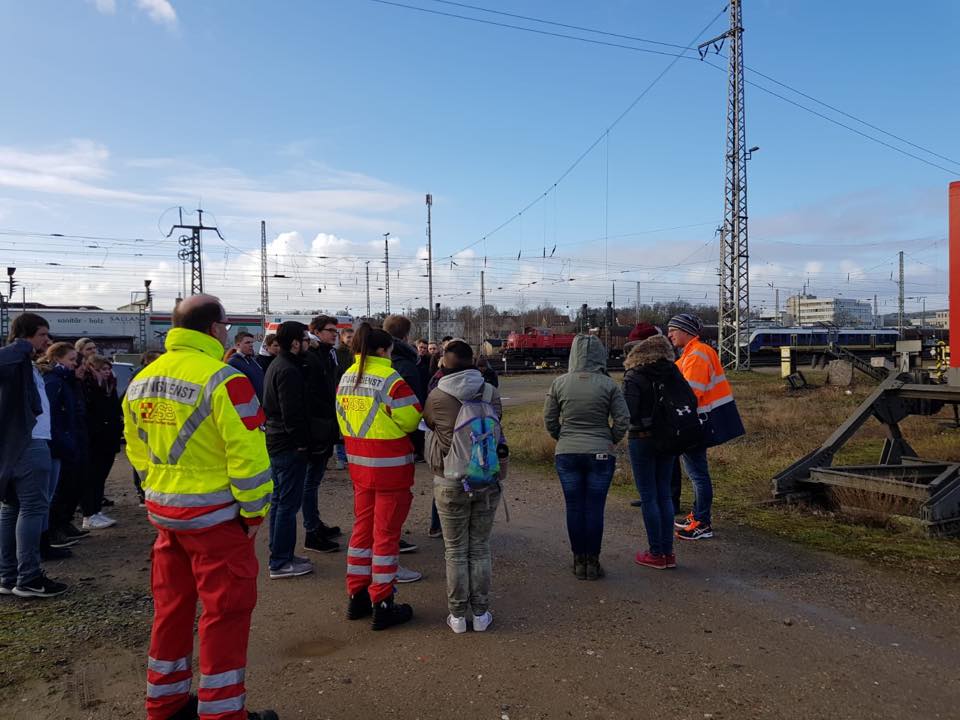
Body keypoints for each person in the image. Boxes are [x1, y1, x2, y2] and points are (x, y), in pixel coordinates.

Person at [123, 294, 277, 720]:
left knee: (171, 611)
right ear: (214, 328)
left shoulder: (142, 379)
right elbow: (249, 458)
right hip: (217, 521)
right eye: (225, 325)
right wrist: (253, 512)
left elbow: (137, 450)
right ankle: (222, 714)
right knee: (224, 615)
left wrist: (160, 492)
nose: (227, 331)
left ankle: (165, 704)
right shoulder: (226, 380)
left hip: (167, 518)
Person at [337, 323, 422, 631]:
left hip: (359, 467)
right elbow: (411, 419)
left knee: (362, 533)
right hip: (390, 468)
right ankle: (383, 603)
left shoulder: (347, 376)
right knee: (386, 535)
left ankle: (356, 595)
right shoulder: (390, 378)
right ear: (384, 350)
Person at [423, 340, 503, 633]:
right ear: (473, 361)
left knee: (455, 550)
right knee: (480, 547)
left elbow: (429, 423)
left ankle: (457, 617)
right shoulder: (491, 392)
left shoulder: (437, 396)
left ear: (444, 362)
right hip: (485, 477)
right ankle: (481, 615)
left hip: (449, 478)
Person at [543, 334, 629, 580]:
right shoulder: (609, 384)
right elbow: (623, 419)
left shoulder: (559, 383)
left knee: (574, 506)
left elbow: (549, 419)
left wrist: (562, 436)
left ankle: (578, 560)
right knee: (594, 508)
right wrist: (609, 438)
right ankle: (593, 561)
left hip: (567, 452)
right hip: (600, 452)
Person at [0, 313, 68, 598]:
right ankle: (27, 577)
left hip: (21, 443)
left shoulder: (24, 365)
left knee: (13, 509)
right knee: (31, 508)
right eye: (42, 335)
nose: (47, 341)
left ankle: (9, 575)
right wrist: (21, 347)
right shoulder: (13, 359)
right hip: (29, 443)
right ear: (25, 335)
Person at [667, 313, 745, 541]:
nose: (669, 334)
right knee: (697, 473)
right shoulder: (692, 353)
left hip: (697, 423)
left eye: (673, 329)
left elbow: (689, 394)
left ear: (686, 331)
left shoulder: (697, 355)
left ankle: (702, 522)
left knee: (698, 474)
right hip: (700, 421)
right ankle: (698, 516)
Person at [262, 321, 321, 576]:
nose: (308, 344)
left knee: (279, 501)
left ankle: (281, 553)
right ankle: (280, 561)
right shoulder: (288, 370)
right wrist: (302, 444)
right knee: (287, 504)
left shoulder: (279, 364)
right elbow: (292, 413)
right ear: (295, 342)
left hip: (278, 441)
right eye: (305, 340)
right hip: (287, 444)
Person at [623, 335, 686, 570]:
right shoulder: (672, 371)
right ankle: (668, 553)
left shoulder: (634, 374)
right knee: (664, 495)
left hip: (641, 438)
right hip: (669, 438)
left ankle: (656, 553)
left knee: (649, 496)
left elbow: (627, 412)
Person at [383, 315, 427, 562]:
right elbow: (414, 409)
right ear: (406, 336)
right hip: (398, 441)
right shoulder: (407, 365)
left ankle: (385, 540)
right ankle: (390, 545)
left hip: (371, 443)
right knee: (396, 497)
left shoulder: (377, 365)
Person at [300, 315, 343, 553]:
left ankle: (315, 523)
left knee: (314, 480)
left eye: (335, 331)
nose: (334, 334)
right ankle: (311, 531)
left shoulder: (326, 354)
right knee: (310, 481)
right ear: (315, 331)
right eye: (330, 331)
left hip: (325, 425)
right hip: (316, 427)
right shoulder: (312, 356)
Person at [37, 342, 82, 560]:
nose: (75, 364)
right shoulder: (53, 382)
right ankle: (43, 541)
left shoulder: (63, 380)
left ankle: (46, 540)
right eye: (72, 360)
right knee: (47, 497)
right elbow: (53, 416)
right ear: (58, 359)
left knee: (50, 495)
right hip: (54, 445)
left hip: (59, 443)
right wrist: (64, 442)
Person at [77, 355, 122, 529]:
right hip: (94, 439)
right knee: (92, 477)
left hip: (108, 438)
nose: (107, 372)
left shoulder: (110, 386)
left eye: (108, 369)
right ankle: (89, 513)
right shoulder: (88, 386)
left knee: (101, 477)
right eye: (103, 369)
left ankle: (96, 510)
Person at [130, 350, 161, 506]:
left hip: (150, 418)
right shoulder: (142, 376)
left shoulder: (147, 375)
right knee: (143, 456)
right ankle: (142, 492)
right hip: (146, 418)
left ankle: (144, 491)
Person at [332, 326, 354, 471]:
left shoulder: (356, 353)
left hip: (353, 392)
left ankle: (349, 455)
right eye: (348, 338)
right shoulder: (337, 353)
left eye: (353, 338)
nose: (351, 341)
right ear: (342, 338)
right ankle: (340, 456)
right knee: (341, 425)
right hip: (341, 391)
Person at [228, 330, 266, 402]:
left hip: (261, 404)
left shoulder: (253, 360)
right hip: (248, 405)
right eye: (247, 343)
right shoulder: (233, 363)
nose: (251, 345)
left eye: (252, 342)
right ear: (238, 345)